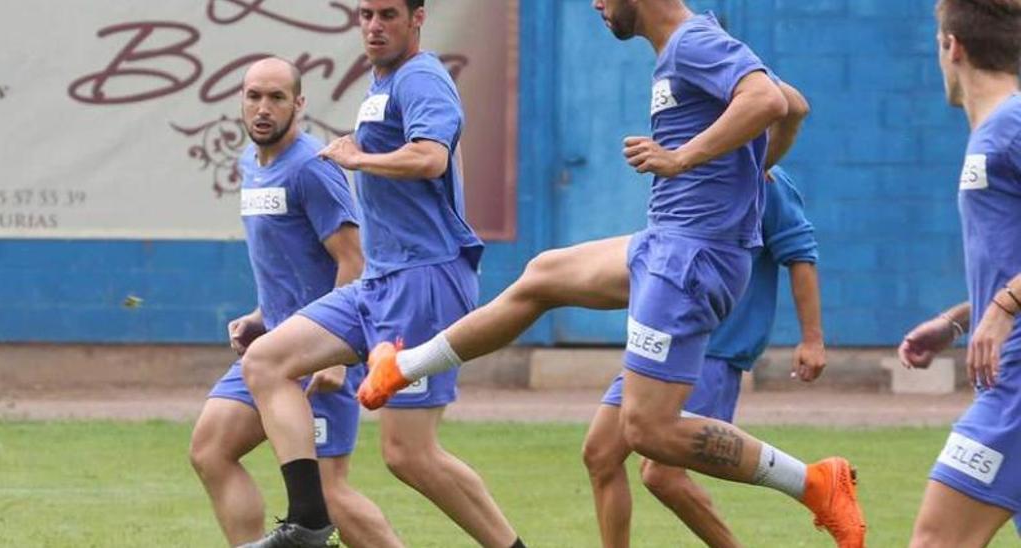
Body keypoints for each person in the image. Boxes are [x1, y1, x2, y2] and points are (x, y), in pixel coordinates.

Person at [358, 1, 866, 546]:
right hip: (666, 245)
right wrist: (749, 170)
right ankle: (404, 367)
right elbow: (792, 106)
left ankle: (814, 483)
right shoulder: (687, 44)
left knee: (649, 432)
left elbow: (766, 100)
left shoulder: (693, 41)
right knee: (542, 276)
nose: (597, 4)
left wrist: (684, 158)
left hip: (690, 259)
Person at [239, 1, 526, 547]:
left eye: (388, 14)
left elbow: (429, 158)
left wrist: (358, 159)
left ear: (418, 18)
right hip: (378, 282)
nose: (374, 25)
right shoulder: (384, 84)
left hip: (424, 283)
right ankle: (308, 521)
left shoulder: (421, 78)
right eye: (366, 13)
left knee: (409, 454)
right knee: (267, 360)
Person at [189, 57, 401, 548]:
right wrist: (263, 314)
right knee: (211, 450)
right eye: (254, 96)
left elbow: (353, 263)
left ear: (299, 104)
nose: (263, 108)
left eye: (276, 97)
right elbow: (291, 259)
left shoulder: (312, 168)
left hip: (319, 350)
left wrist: (334, 361)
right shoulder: (249, 162)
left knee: (329, 493)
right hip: (273, 350)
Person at [586, 166, 826, 548]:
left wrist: (812, 338)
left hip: (713, 347)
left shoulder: (767, 180)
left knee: (661, 474)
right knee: (600, 454)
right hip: (663, 340)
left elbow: (800, 256)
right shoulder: (691, 170)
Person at [898, 1, 1021, 546]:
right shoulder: (994, 134)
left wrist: (1002, 310)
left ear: (953, 47)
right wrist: (957, 320)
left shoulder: (1012, 125)